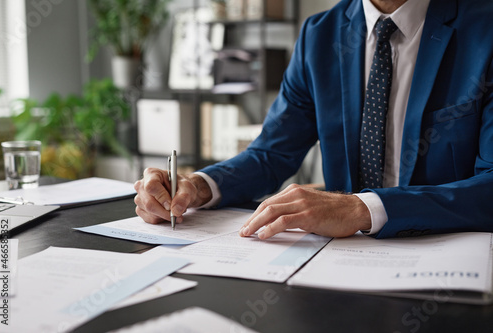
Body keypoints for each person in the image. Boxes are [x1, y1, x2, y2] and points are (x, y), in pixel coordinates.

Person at [134, 0, 493, 240]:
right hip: (337, 260)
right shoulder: (319, 36)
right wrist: (197, 186)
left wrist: (362, 208)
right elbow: (272, 154)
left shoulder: (485, 29)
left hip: (445, 254)